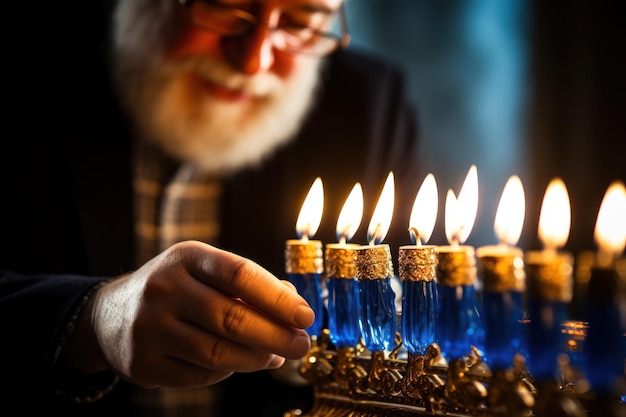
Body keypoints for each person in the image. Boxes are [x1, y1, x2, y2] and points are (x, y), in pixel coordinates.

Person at [1, 0, 420, 415]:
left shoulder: (369, 106)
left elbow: (398, 319)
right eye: (226, 6)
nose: (254, 60)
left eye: (300, 20)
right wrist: (89, 320)